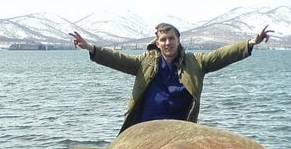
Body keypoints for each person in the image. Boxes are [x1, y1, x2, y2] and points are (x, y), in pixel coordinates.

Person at [69, 23, 273, 133]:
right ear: (157, 43)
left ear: (178, 40)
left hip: (180, 129)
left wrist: (250, 43)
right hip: (145, 128)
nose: (168, 43)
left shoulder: (196, 62)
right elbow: (117, 59)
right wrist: (91, 48)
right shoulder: (144, 63)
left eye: (171, 38)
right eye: (163, 39)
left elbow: (221, 55)